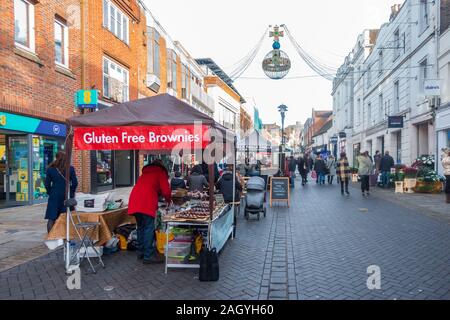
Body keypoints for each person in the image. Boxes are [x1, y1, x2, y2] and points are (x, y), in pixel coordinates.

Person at [128, 159, 171, 264]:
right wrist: (169, 200)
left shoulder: (145, 173)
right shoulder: (160, 172)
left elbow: (151, 186)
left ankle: (141, 252)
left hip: (134, 200)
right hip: (146, 202)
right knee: (148, 228)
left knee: (141, 227)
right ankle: (148, 255)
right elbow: (166, 190)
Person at [44, 151, 78, 233]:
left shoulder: (50, 169)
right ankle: (64, 237)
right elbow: (75, 183)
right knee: (65, 217)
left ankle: (51, 238)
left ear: (56, 158)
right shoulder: (70, 168)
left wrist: (50, 192)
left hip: (54, 194)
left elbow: (47, 184)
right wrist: (72, 193)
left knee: (52, 217)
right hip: (66, 194)